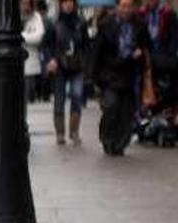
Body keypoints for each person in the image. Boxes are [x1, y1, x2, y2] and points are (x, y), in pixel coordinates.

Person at [91, 0, 152, 155]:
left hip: (130, 74)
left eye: (129, 6)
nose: (126, 9)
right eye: (123, 6)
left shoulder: (139, 25)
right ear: (117, 7)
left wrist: (141, 56)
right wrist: (93, 76)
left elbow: (147, 46)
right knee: (111, 107)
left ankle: (120, 144)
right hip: (110, 73)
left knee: (127, 112)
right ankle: (107, 139)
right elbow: (97, 52)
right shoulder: (106, 25)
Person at [43, 0, 91, 145]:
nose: (68, 5)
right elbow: (47, 45)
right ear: (61, 5)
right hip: (59, 67)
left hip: (77, 66)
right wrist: (50, 59)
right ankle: (60, 133)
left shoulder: (81, 23)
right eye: (65, 2)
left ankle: (74, 131)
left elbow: (86, 44)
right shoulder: (54, 23)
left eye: (70, 2)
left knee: (77, 96)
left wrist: (84, 61)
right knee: (59, 99)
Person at [22, 0, 48, 103]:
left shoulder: (36, 17)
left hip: (30, 62)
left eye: (27, 3)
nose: (25, 6)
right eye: (22, 3)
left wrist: (22, 37)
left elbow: (38, 37)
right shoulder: (14, 16)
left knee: (27, 94)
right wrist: (28, 36)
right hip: (15, 63)